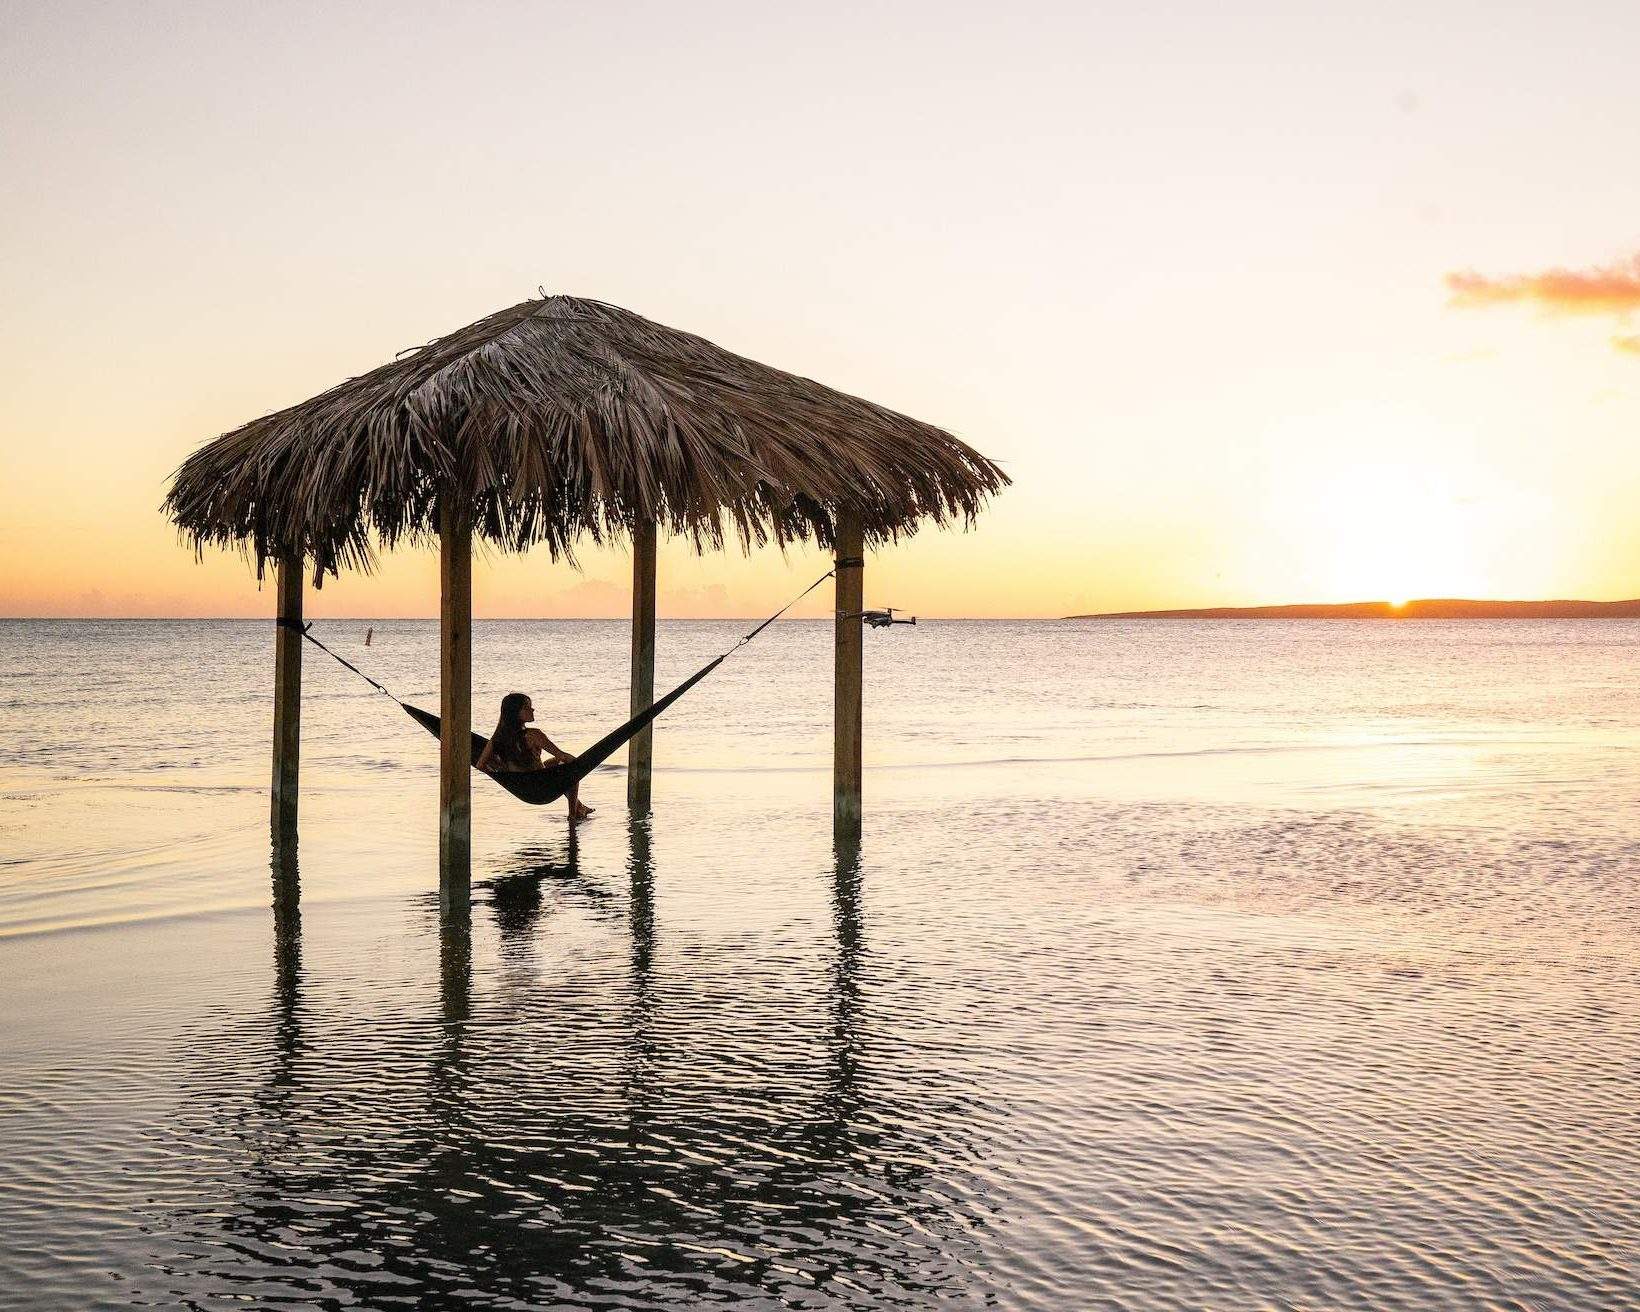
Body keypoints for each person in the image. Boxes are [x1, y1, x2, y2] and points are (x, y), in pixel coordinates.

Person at [477, 692, 594, 821]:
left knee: (553, 762)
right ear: (515, 713)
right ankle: (573, 814)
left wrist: (502, 773)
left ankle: (580, 806)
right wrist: (582, 764)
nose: (532, 709)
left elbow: (481, 765)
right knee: (571, 769)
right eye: (527, 707)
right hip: (542, 785)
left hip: (522, 788)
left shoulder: (497, 739)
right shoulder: (533, 735)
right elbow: (562, 756)